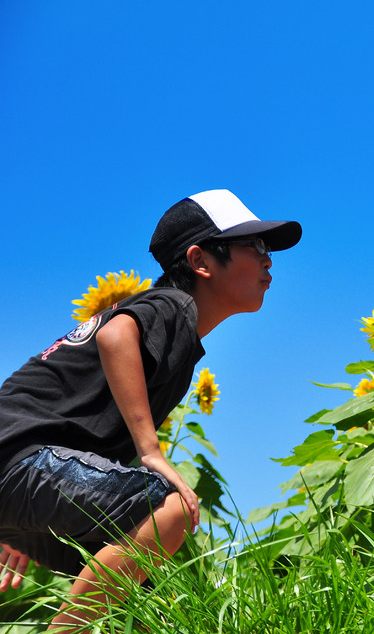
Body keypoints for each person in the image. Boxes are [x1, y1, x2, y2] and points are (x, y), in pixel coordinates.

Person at [0, 189, 301, 630]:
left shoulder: (173, 329)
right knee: (169, 508)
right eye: (253, 247)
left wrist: (30, 516)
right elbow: (114, 336)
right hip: (21, 458)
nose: (268, 259)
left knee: (146, 603)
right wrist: (151, 450)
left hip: (25, 469)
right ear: (200, 261)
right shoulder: (172, 305)